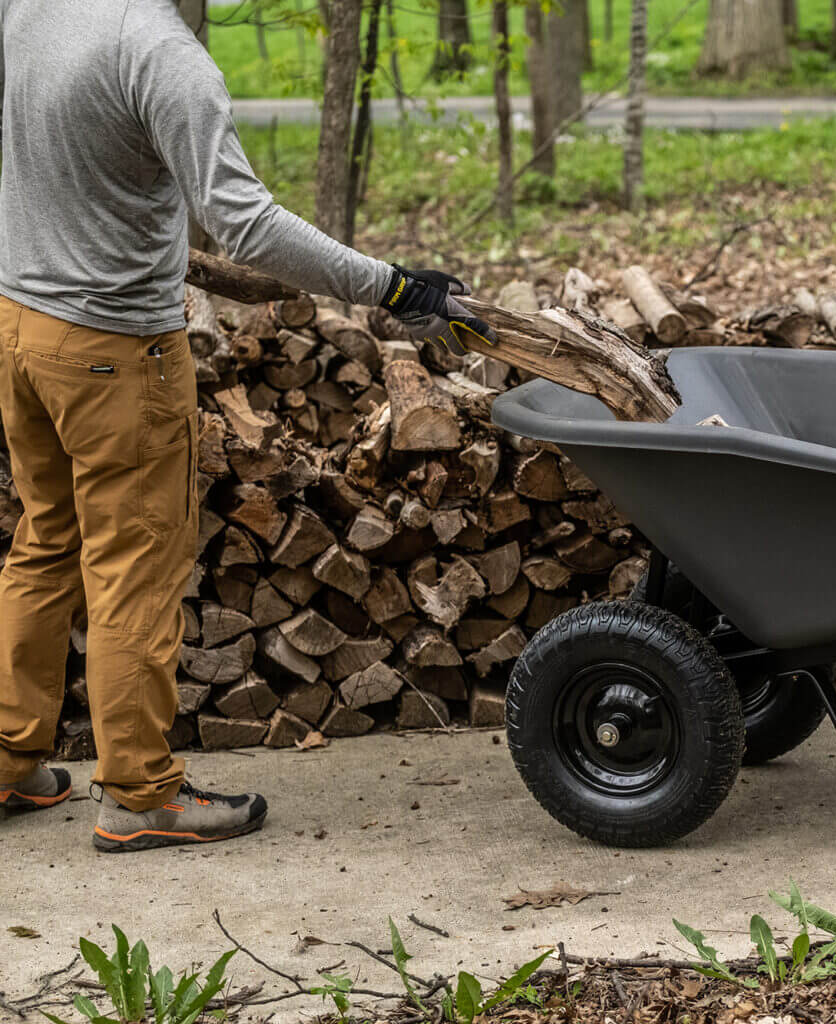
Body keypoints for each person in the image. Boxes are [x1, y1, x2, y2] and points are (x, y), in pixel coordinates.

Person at [0, 0, 494, 852]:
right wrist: (395, 287)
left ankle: (8, 759)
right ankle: (142, 797)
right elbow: (245, 222)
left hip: (19, 326)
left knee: (47, 541)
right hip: (113, 350)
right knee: (132, 564)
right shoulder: (157, 49)